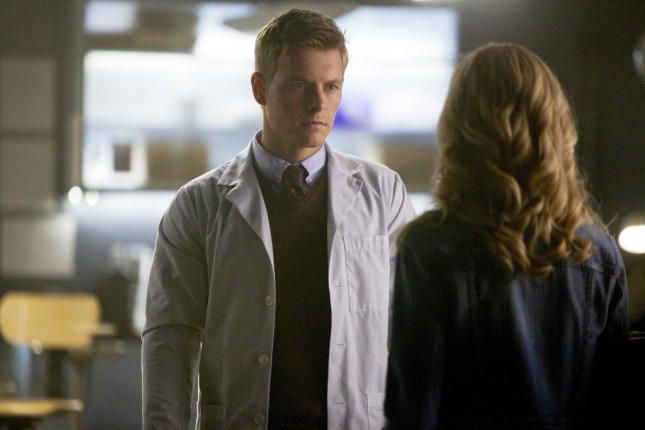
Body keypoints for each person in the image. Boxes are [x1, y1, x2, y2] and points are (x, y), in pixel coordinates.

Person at [141, 8, 417, 430]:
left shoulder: (385, 193)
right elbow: (170, 339)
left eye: (331, 86)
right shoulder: (198, 204)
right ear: (260, 88)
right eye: (299, 84)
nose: (318, 103)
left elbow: (414, 327)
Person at [384, 43, 629, 429]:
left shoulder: (430, 247)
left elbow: (414, 411)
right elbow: (613, 405)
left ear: (459, 128)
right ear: (555, 127)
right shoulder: (597, 254)